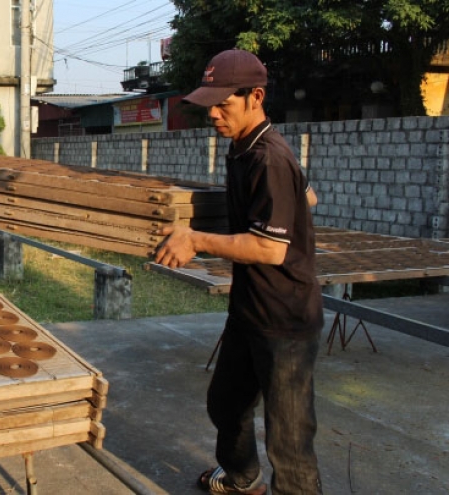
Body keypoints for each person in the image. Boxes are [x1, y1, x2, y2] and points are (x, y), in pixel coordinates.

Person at [154, 49, 323, 495]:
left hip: (284, 320)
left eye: (222, 104)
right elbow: (310, 199)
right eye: (209, 103)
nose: (212, 113)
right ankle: (244, 480)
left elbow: (268, 249)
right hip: (250, 309)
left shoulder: (269, 158)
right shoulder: (244, 147)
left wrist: (195, 239)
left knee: (290, 442)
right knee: (225, 405)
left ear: (256, 97)